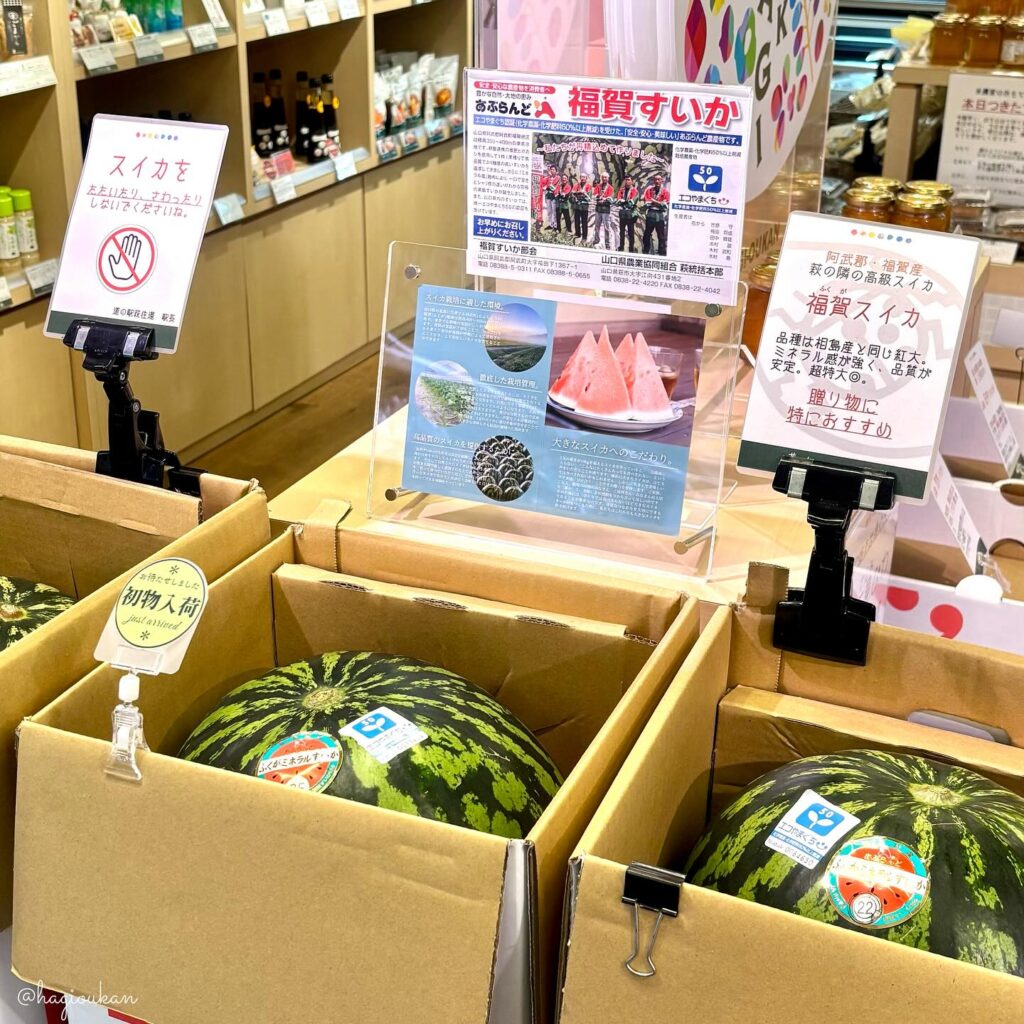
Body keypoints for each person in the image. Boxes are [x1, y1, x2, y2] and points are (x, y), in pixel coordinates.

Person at [642, 173, 670, 256]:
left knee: (661, 236)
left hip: (660, 216)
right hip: (650, 214)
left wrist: (654, 202)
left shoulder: (665, 192)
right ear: (653, 181)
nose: (657, 181)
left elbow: (665, 205)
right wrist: (659, 204)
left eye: (659, 179)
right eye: (655, 179)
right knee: (647, 234)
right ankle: (646, 251)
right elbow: (647, 202)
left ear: (662, 181)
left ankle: (662, 253)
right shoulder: (649, 190)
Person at [616, 176, 640, 253]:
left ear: (632, 181)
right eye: (626, 180)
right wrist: (621, 202)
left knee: (631, 232)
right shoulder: (621, 190)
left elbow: (632, 203)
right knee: (621, 232)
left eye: (628, 180)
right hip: (622, 214)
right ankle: (621, 246)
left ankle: (631, 248)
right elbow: (618, 201)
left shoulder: (635, 191)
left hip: (630, 214)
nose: (627, 181)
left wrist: (623, 202)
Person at [593, 172, 615, 249]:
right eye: (603, 177)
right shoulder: (598, 186)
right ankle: (596, 240)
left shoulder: (611, 188)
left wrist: (604, 200)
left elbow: (610, 199)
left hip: (606, 210)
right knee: (597, 226)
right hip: (598, 209)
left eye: (606, 177)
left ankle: (607, 243)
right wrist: (600, 197)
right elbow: (595, 195)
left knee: (606, 227)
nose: (604, 179)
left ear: (608, 179)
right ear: (601, 178)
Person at [572, 174, 592, 242]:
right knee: (576, 221)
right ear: (580, 177)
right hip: (577, 206)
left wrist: (583, 194)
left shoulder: (588, 186)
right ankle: (577, 233)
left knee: (584, 222)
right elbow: (572, 192)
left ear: (586, 178)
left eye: (584, 177)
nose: (582, 178)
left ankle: (584, 236)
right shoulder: (576, 185)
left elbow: (589, 198)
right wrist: (579, 193)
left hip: (584, 207)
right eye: (581, 177)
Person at [544, 164, 560, 230]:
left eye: (553, 169)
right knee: (549, 211)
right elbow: (544, 183)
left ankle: (555, 225)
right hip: (548, 195)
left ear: (556, 171)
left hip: (554, 196)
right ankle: (550, 224)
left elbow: (552, 185)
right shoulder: (548, 177)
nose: (552, 171)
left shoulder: (558, 177)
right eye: (551, 169)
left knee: (554, 211)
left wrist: (548, 186)